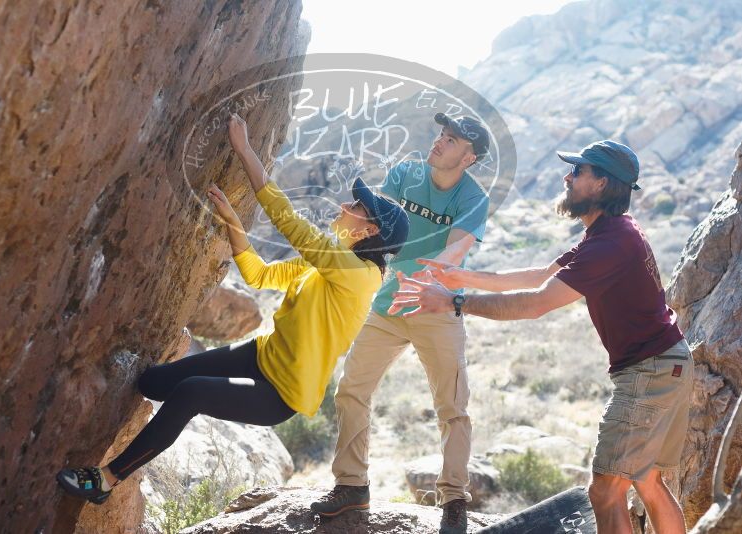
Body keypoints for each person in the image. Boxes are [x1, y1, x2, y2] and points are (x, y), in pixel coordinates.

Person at [56, 113, 409, 505]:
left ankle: (105, 481)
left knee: (190, 393)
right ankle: (116, 456)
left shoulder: (358, 275)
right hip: (262, 356)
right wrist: (233, 223)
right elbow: (259, 275)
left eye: (357, 205)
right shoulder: (333, 261)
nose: (346, 203)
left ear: (370, 229)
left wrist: (245, 151)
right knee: (152, 383)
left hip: (282, 393)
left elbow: (289, 221)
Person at [389, 140, 692, 534]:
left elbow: (535, 303)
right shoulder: (608, 234)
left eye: (578, 171)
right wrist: (460, 277)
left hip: (650, 373)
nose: (567, 177)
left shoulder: (611, 243)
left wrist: (454, 301)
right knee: (648, 480)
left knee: (604, 493)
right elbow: (536, 276)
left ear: (601, 184)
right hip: (667, 366)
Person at [311, 113, 490, 534]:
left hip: (435, 309)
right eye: (441, 135)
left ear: (470, 157)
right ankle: (352, 485)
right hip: (387, 306)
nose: (440, 143)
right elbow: (375, 225)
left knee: (452, 408)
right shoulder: (406, 173)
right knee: (352, 389)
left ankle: (453, 500)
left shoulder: (473, 199)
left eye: (452, 140)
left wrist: (423, 282)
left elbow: (455, 253)